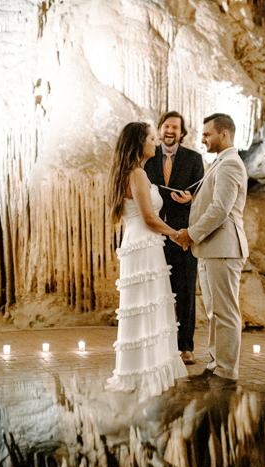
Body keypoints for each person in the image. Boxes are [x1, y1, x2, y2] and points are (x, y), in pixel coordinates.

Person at [105, 122, 188, 401]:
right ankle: (148, 370)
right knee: (147, 305)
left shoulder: (129, 173)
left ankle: (140, 368)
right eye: (151, 138)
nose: (156, 142)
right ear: (140, 143)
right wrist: (177, 235)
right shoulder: (138, 174)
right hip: (144, 246)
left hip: (138, 243)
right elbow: (150, 219)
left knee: (143, 306)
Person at [175, 113, 249, 390]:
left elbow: (220, 209)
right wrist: (194, 200)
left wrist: (190, 233)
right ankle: (215, 365)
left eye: (207, 134)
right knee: (215, 312)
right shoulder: (220, 163)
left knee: (226, 312)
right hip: (211, 248)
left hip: (224, 248)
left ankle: (227, 371)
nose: (203, 139)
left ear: (224, 135)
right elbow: (214, 201)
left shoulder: (230, 164)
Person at [145, 111, 204, 366]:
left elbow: (203, 196)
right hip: (154, 233)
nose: (170, 131)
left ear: (182, 133)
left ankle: (185, 347)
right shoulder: (147, 157)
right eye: (166, 126)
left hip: (183, 235)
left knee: (186, 291)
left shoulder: (194, 159)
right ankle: (158, 343)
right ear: (160, 130)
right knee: (156, 291)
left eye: (175, 128)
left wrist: (192, 199)